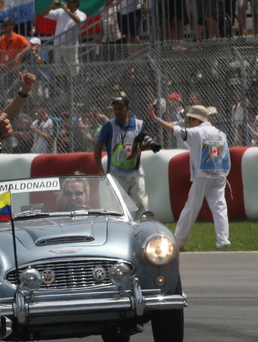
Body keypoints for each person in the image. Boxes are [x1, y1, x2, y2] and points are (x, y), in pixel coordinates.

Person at [147, 103, 231, 249]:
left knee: (191, 208)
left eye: (190, 119)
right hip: (220, 174)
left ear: (195, 120)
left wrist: (157, 119)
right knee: (220, 207)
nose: (188, 122)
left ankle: (179, 241)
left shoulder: (196, 133)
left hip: (203, 174)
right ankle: (223, 240)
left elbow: (175, 130)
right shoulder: (220, 133)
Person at [93, 94, 154, 216]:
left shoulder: (138, 125)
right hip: (117, 174)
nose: (117, 112)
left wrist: (144, 146)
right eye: (115, 109)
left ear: (127, 108)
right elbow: (98, 148)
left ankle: (141, 227)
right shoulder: (108, 126)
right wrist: (100, 169)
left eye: (120, 108)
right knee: (120, 206)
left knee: (141, 203)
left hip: (135, 172)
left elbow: (142, 143)